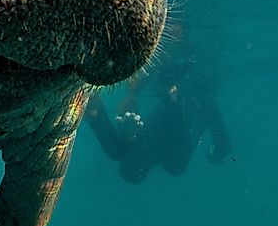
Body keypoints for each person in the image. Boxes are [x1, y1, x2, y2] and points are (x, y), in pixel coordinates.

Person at [84, 60, 231, 184]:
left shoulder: (118, 148)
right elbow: (204, 109)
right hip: (192, 99)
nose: (140, 152)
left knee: (116, 149)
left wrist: (130, 98)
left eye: (132, 155)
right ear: (147, 167)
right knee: (176, 167)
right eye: (140, 159)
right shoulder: (173, 158)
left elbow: (87, 102)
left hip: (180, 98)